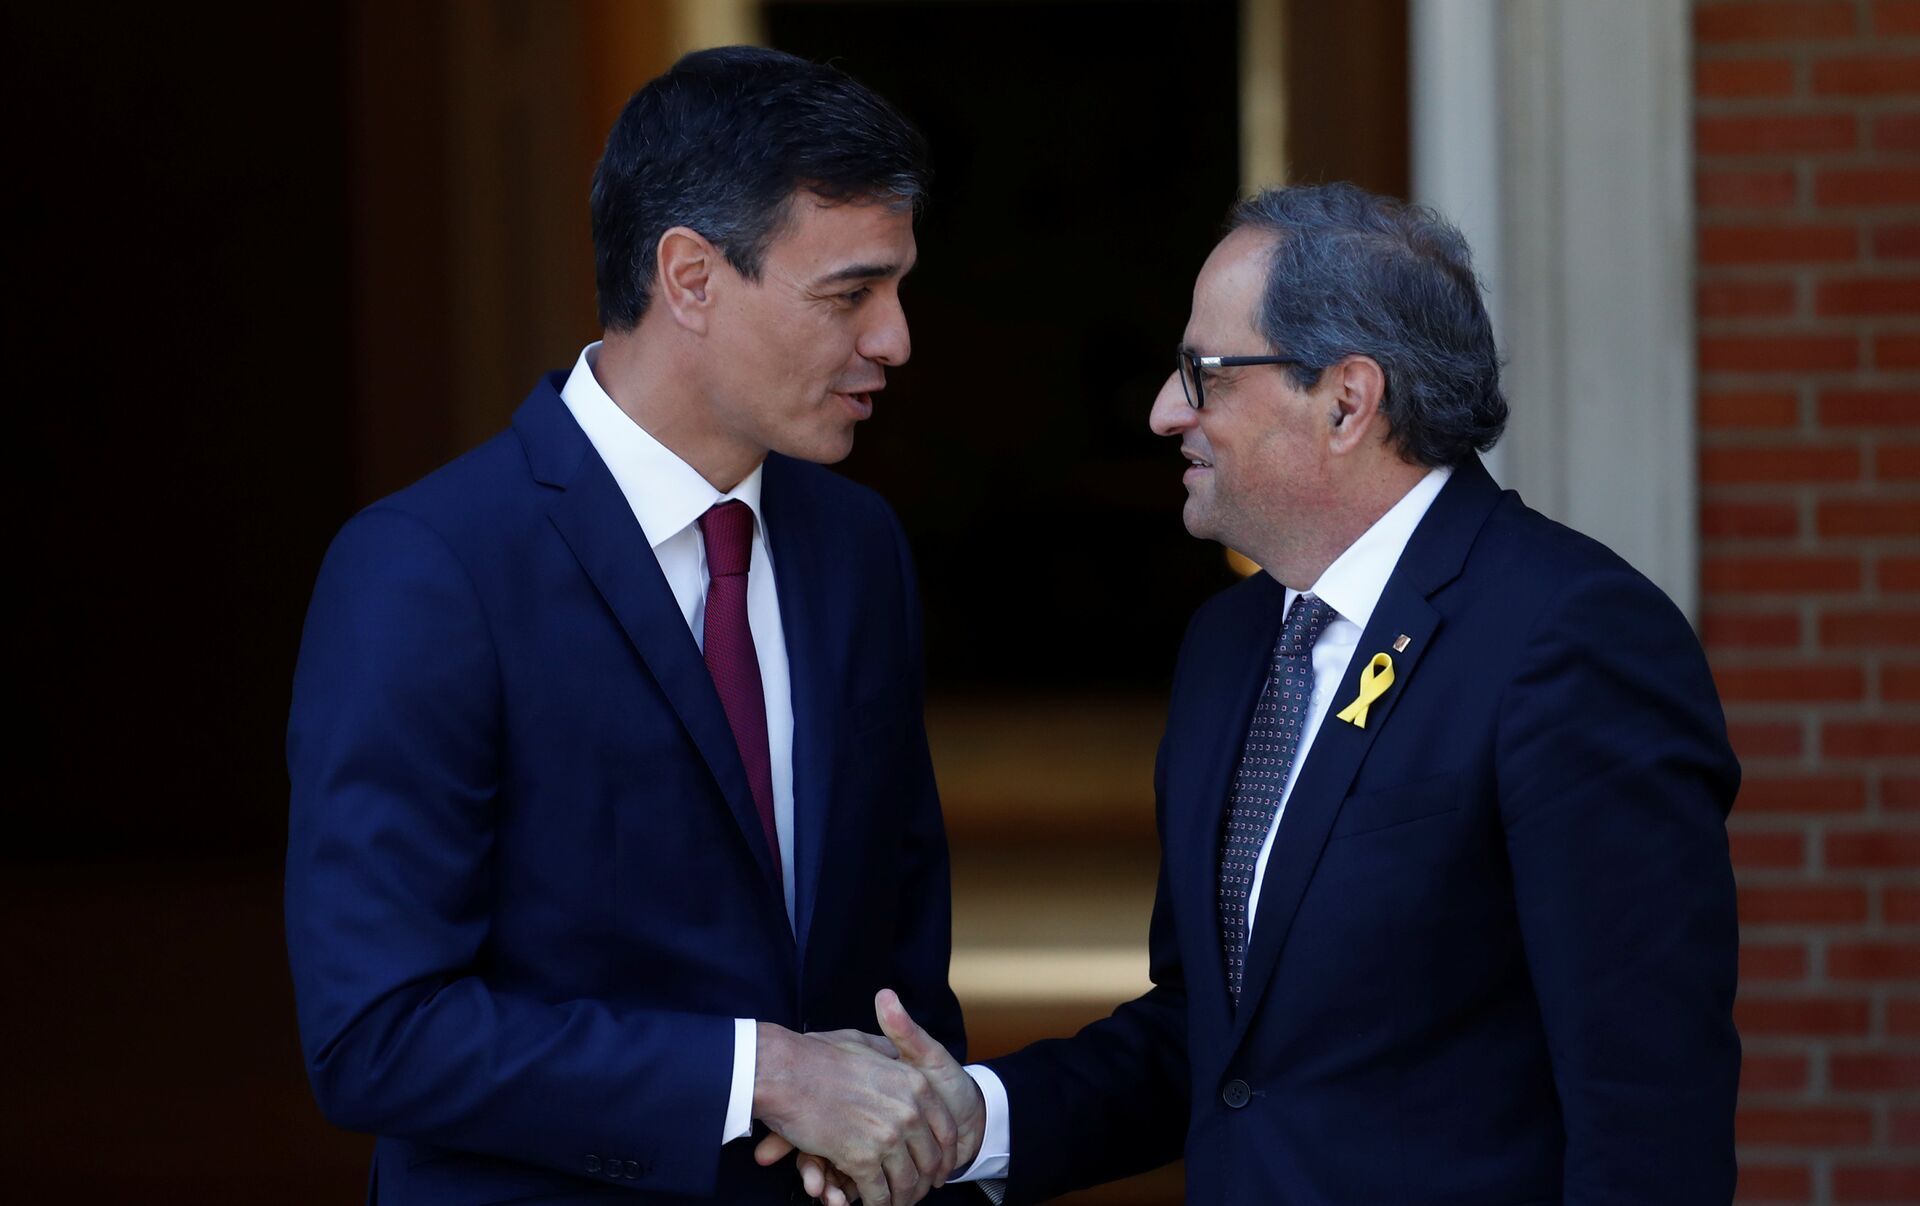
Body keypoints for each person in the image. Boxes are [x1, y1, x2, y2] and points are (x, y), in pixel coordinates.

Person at [847, 183, 1742, 1204]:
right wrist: (978, 1119)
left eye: (1204, 374)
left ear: (1348, 401)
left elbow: (1646, 1110)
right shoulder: (1230, 643)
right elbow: (1221, 1039)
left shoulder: (1569, 640)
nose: (1165, 410)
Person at [286, 46, 991, 1206]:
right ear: (690, 277)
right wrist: (760, 1074)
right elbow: (376, 1035)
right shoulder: (428, 569)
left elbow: (900, 962)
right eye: (850, 294)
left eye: (898, 288)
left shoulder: (857, 547)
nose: (895, 340)